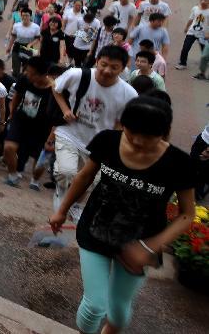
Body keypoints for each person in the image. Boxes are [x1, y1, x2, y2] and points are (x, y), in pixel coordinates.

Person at [49, 97, 196, 334]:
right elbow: (84, 176)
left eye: (148, 137)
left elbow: (188, 215)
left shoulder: (179, 163)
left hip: (139, 244)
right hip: (95, 231)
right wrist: (61, 211)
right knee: (94, 306)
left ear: (164, 132)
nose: (138, 142)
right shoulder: (107, 140)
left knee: (118, 312)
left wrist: (149, 247)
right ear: (123, 125)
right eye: (131, 133)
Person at [50, 45, 138, 222]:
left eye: (114, 67)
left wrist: (115, 145)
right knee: (66, 172)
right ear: (97, 61)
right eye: (103, 64)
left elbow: (122, 123)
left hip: (98, 145)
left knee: (92, 181)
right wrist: (65, 109)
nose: (107, 70)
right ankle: (62, 194)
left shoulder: (129, 94)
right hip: (70, 133)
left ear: (123, 69)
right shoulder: (77, 74)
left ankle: (73, 205)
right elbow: (56, 88)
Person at [3, 56, 54, 189]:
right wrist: (12, 113)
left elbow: (57, 116)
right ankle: (13, 176)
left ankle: (35, 180)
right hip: (22, 118)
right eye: (27, 71)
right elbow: (17, 96)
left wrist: (52, 136)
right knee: (8, 147)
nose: (27, 74)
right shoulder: (24, 78)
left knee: (39, 163)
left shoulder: (55, 89)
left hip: (43, 127)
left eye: (31, 73)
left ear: (42, 75)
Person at [175, 0, 209, 70]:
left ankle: (206, 60)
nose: (203, 1)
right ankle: (183, 63)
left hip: (203, 34)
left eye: (206, 0)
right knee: (185, 48)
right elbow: (191, 18)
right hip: (192, 32)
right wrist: (186, 27)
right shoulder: (195, 8)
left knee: (204, 49)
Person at [7, 7, 41, 76]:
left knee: (26, 68)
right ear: (21, 16)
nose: (25, 17)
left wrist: (31, 44)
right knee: (15, 68)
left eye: (27, 15)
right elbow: (13, 37)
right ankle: (15, 82)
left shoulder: (36, 27)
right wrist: (9, 47)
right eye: (23, 15)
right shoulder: (16, 26)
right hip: (17, 47)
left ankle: (23, 82)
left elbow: (37, 39)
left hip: (27, 48)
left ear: (30, 16)